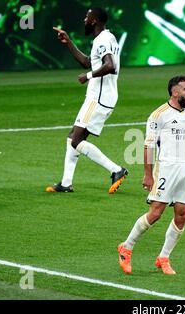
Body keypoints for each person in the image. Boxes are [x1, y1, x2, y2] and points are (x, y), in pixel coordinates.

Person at [117, 75, 185, 275]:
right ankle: (126, 247)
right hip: (166, 169)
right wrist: (148, 174)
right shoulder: (158, 115)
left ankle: (164, 257)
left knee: (182, 215)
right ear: (174, 91)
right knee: (156, 212)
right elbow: (148, 145)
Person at [46, 7, 128, 194]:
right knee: (72, 137)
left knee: (75, 140)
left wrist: (88, 76)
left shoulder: (104, 39)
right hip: (99, 97)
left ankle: (116, 170)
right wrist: (69, 42)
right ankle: (66, 183)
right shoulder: (105, 39)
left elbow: (110, 66)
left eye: (87, 17)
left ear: (94, 21)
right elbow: (86, 61)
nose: (84, 19)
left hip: (98, 99)